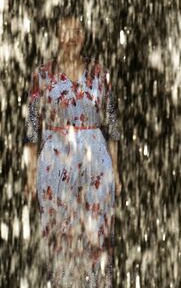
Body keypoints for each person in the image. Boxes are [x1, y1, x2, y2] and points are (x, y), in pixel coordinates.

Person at [23, 15, 121, 287]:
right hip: (56, 159)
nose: (71, 37)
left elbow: (113, 125)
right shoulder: (42, 75)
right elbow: (32, 130)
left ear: (85, 35)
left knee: (97, 232)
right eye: (65, 32)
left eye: (77, 31)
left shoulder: (100, 73)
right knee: (59, 233)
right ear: (56, 37)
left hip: (96, 160)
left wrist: (117, 172)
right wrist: (30, 176)